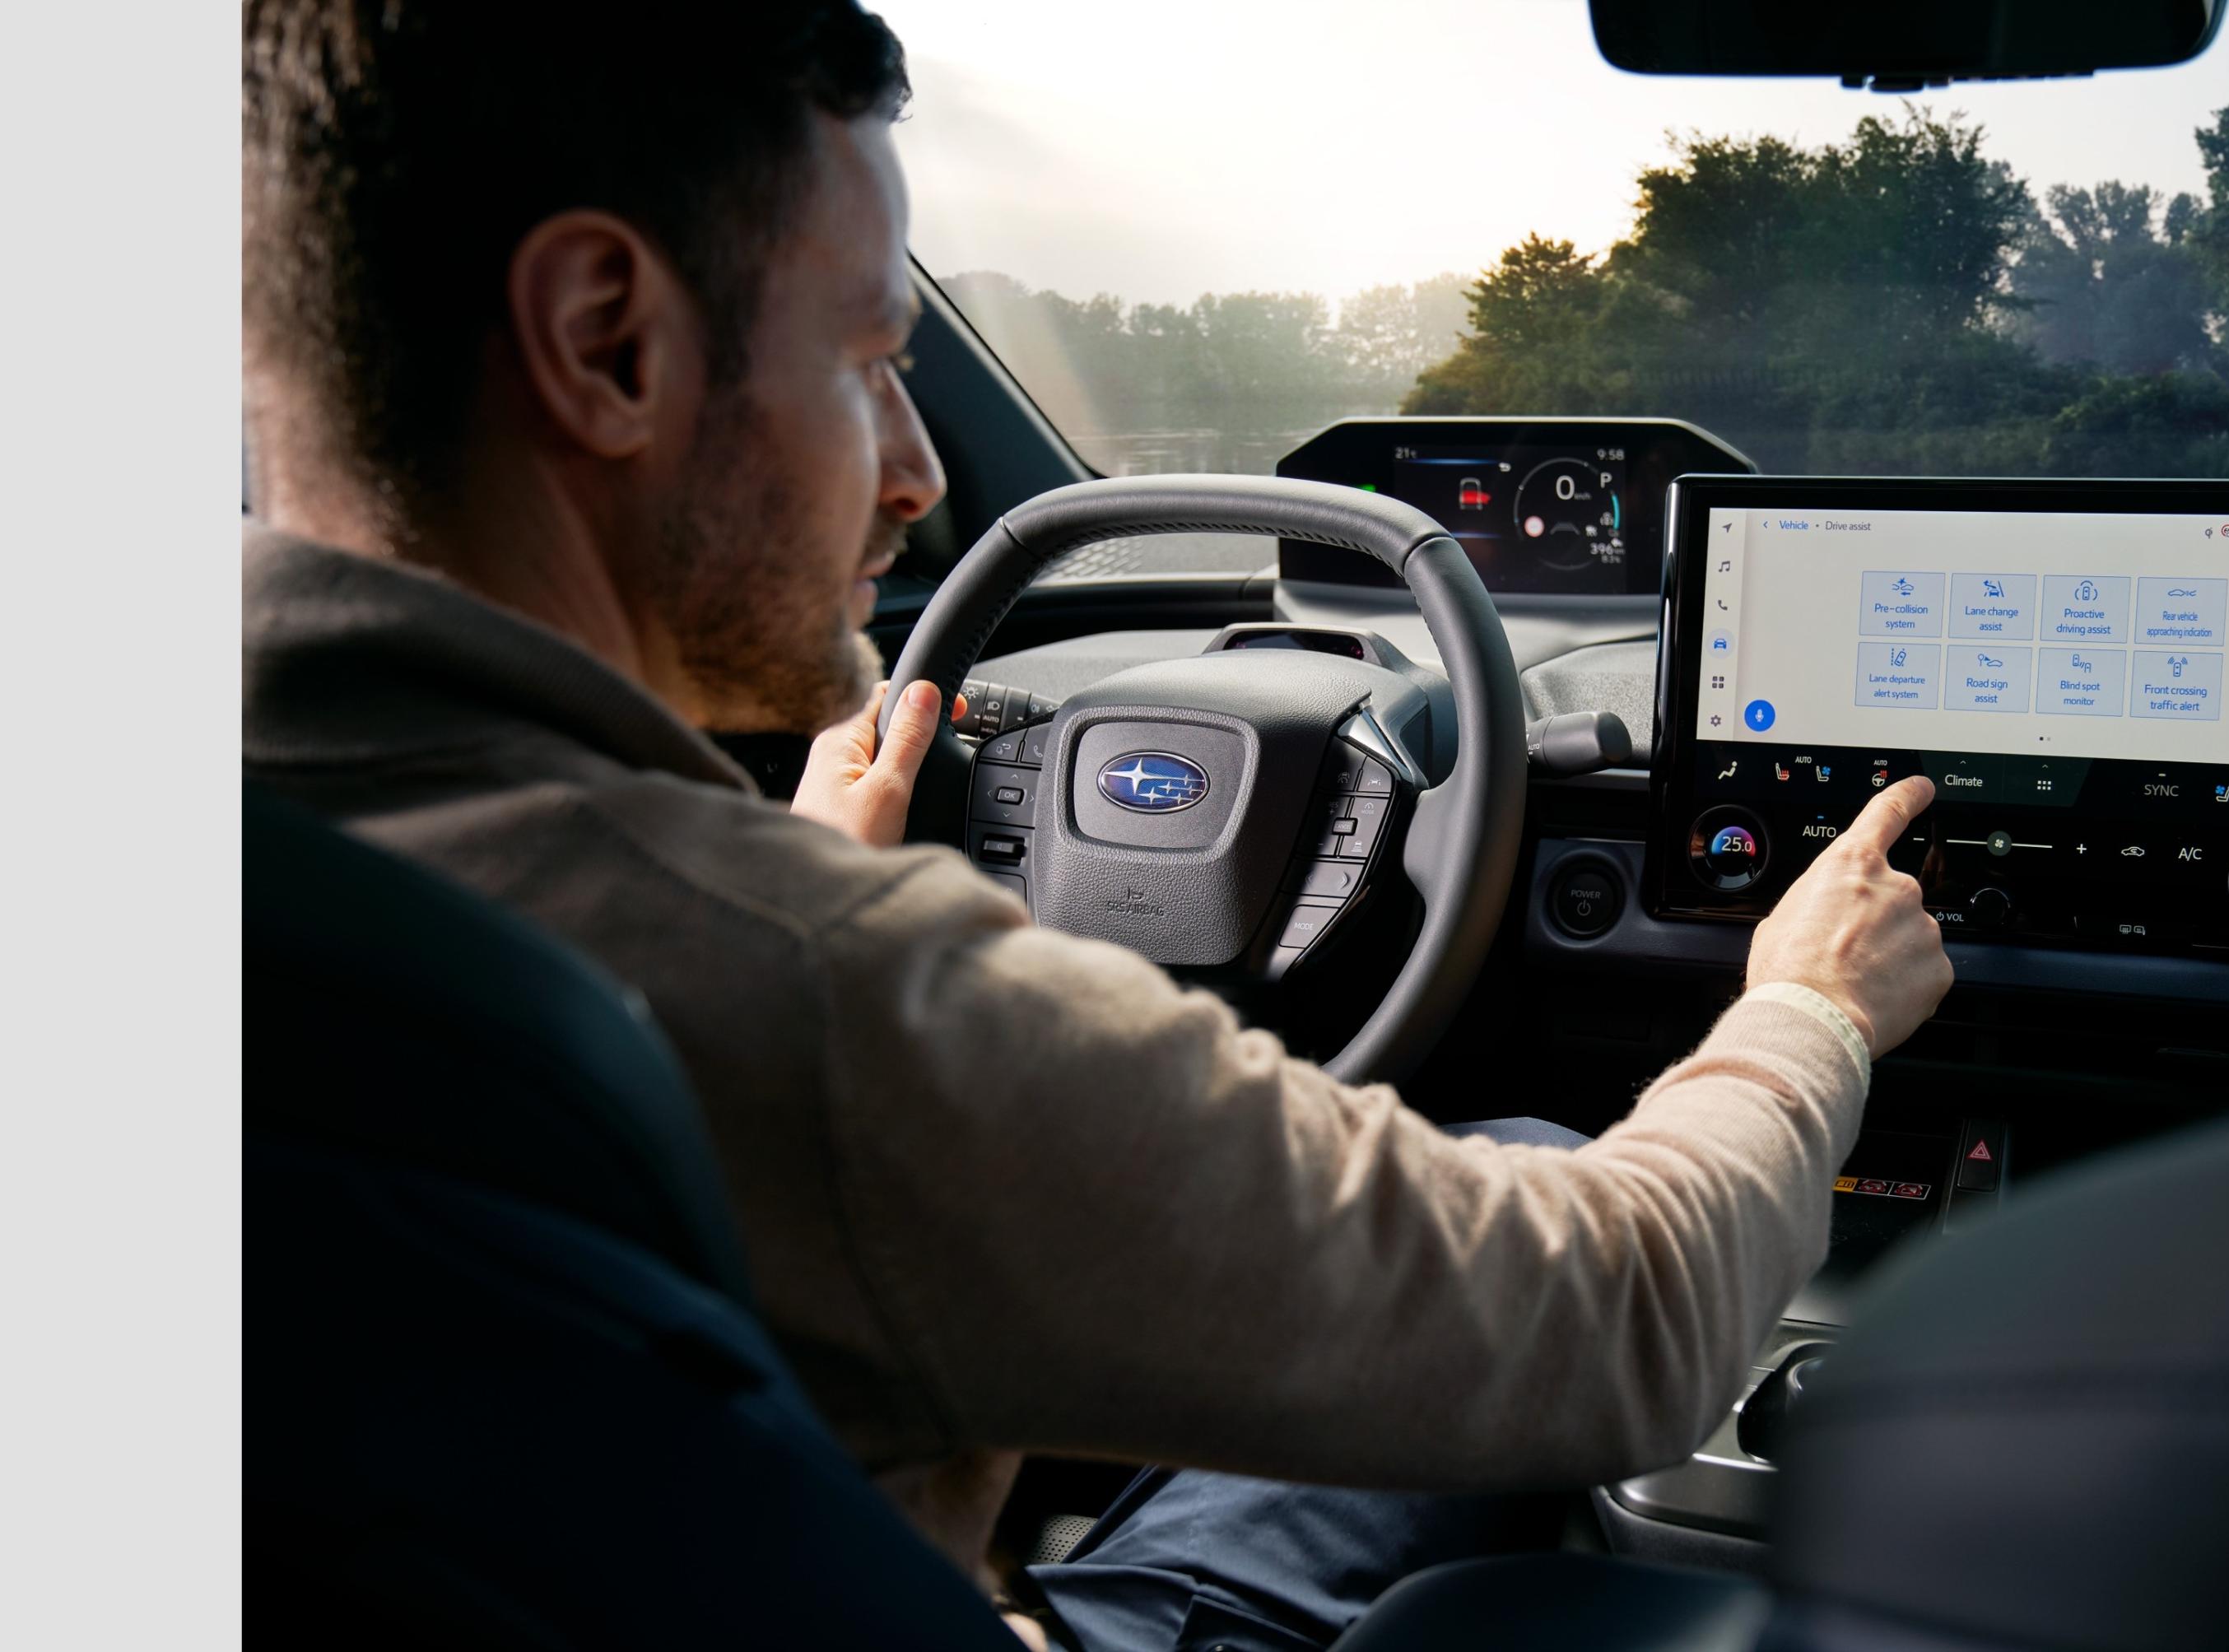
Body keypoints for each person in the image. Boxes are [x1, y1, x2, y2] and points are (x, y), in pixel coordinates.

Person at [240, 4, 1955, 1646]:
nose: (917, 472)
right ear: (605, 337)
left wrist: (813, 885)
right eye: (869, 361)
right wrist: (1803, 1011)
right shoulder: (821, 995)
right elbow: (1628, 1318)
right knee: (1529, 1167)